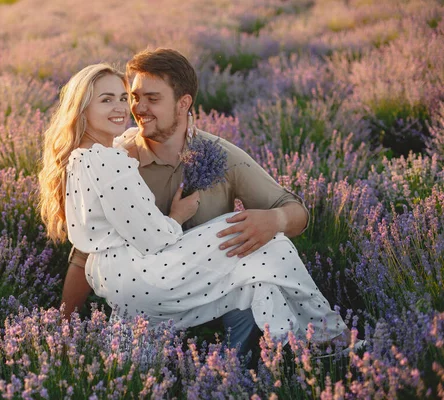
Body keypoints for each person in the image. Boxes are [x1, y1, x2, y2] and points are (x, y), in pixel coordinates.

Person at [38, 62, 351, 353]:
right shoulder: (117, 156)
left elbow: (293, 209)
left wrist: (275, 219)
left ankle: (267, 358)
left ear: (183, 103)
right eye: (129, 97)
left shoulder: (90, 156)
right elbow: (100, 250)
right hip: (146, 279)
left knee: (261, 280)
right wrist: (177, 217)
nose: (132, 108)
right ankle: (325, 343)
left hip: (129, 282)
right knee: (274, 250)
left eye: (146, 98)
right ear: (83, 108)